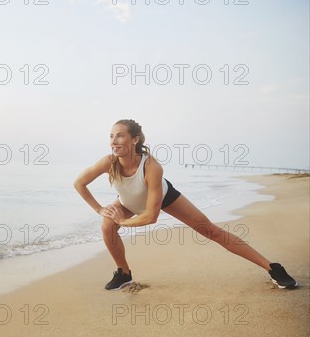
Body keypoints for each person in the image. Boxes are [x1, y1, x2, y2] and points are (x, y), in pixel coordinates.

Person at [73, 119, 298, 290]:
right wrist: (100, 209)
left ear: (135, 140)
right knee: (106, 226)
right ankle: (124, 273)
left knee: (211, 231)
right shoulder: (108, 162)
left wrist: (122, 221)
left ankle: (272, 267)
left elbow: (151, 216)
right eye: (112, 136)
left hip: (164, 197)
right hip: (129, 202)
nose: (114, 141)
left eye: (120, 136)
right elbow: (79, 183)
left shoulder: (151, 167)